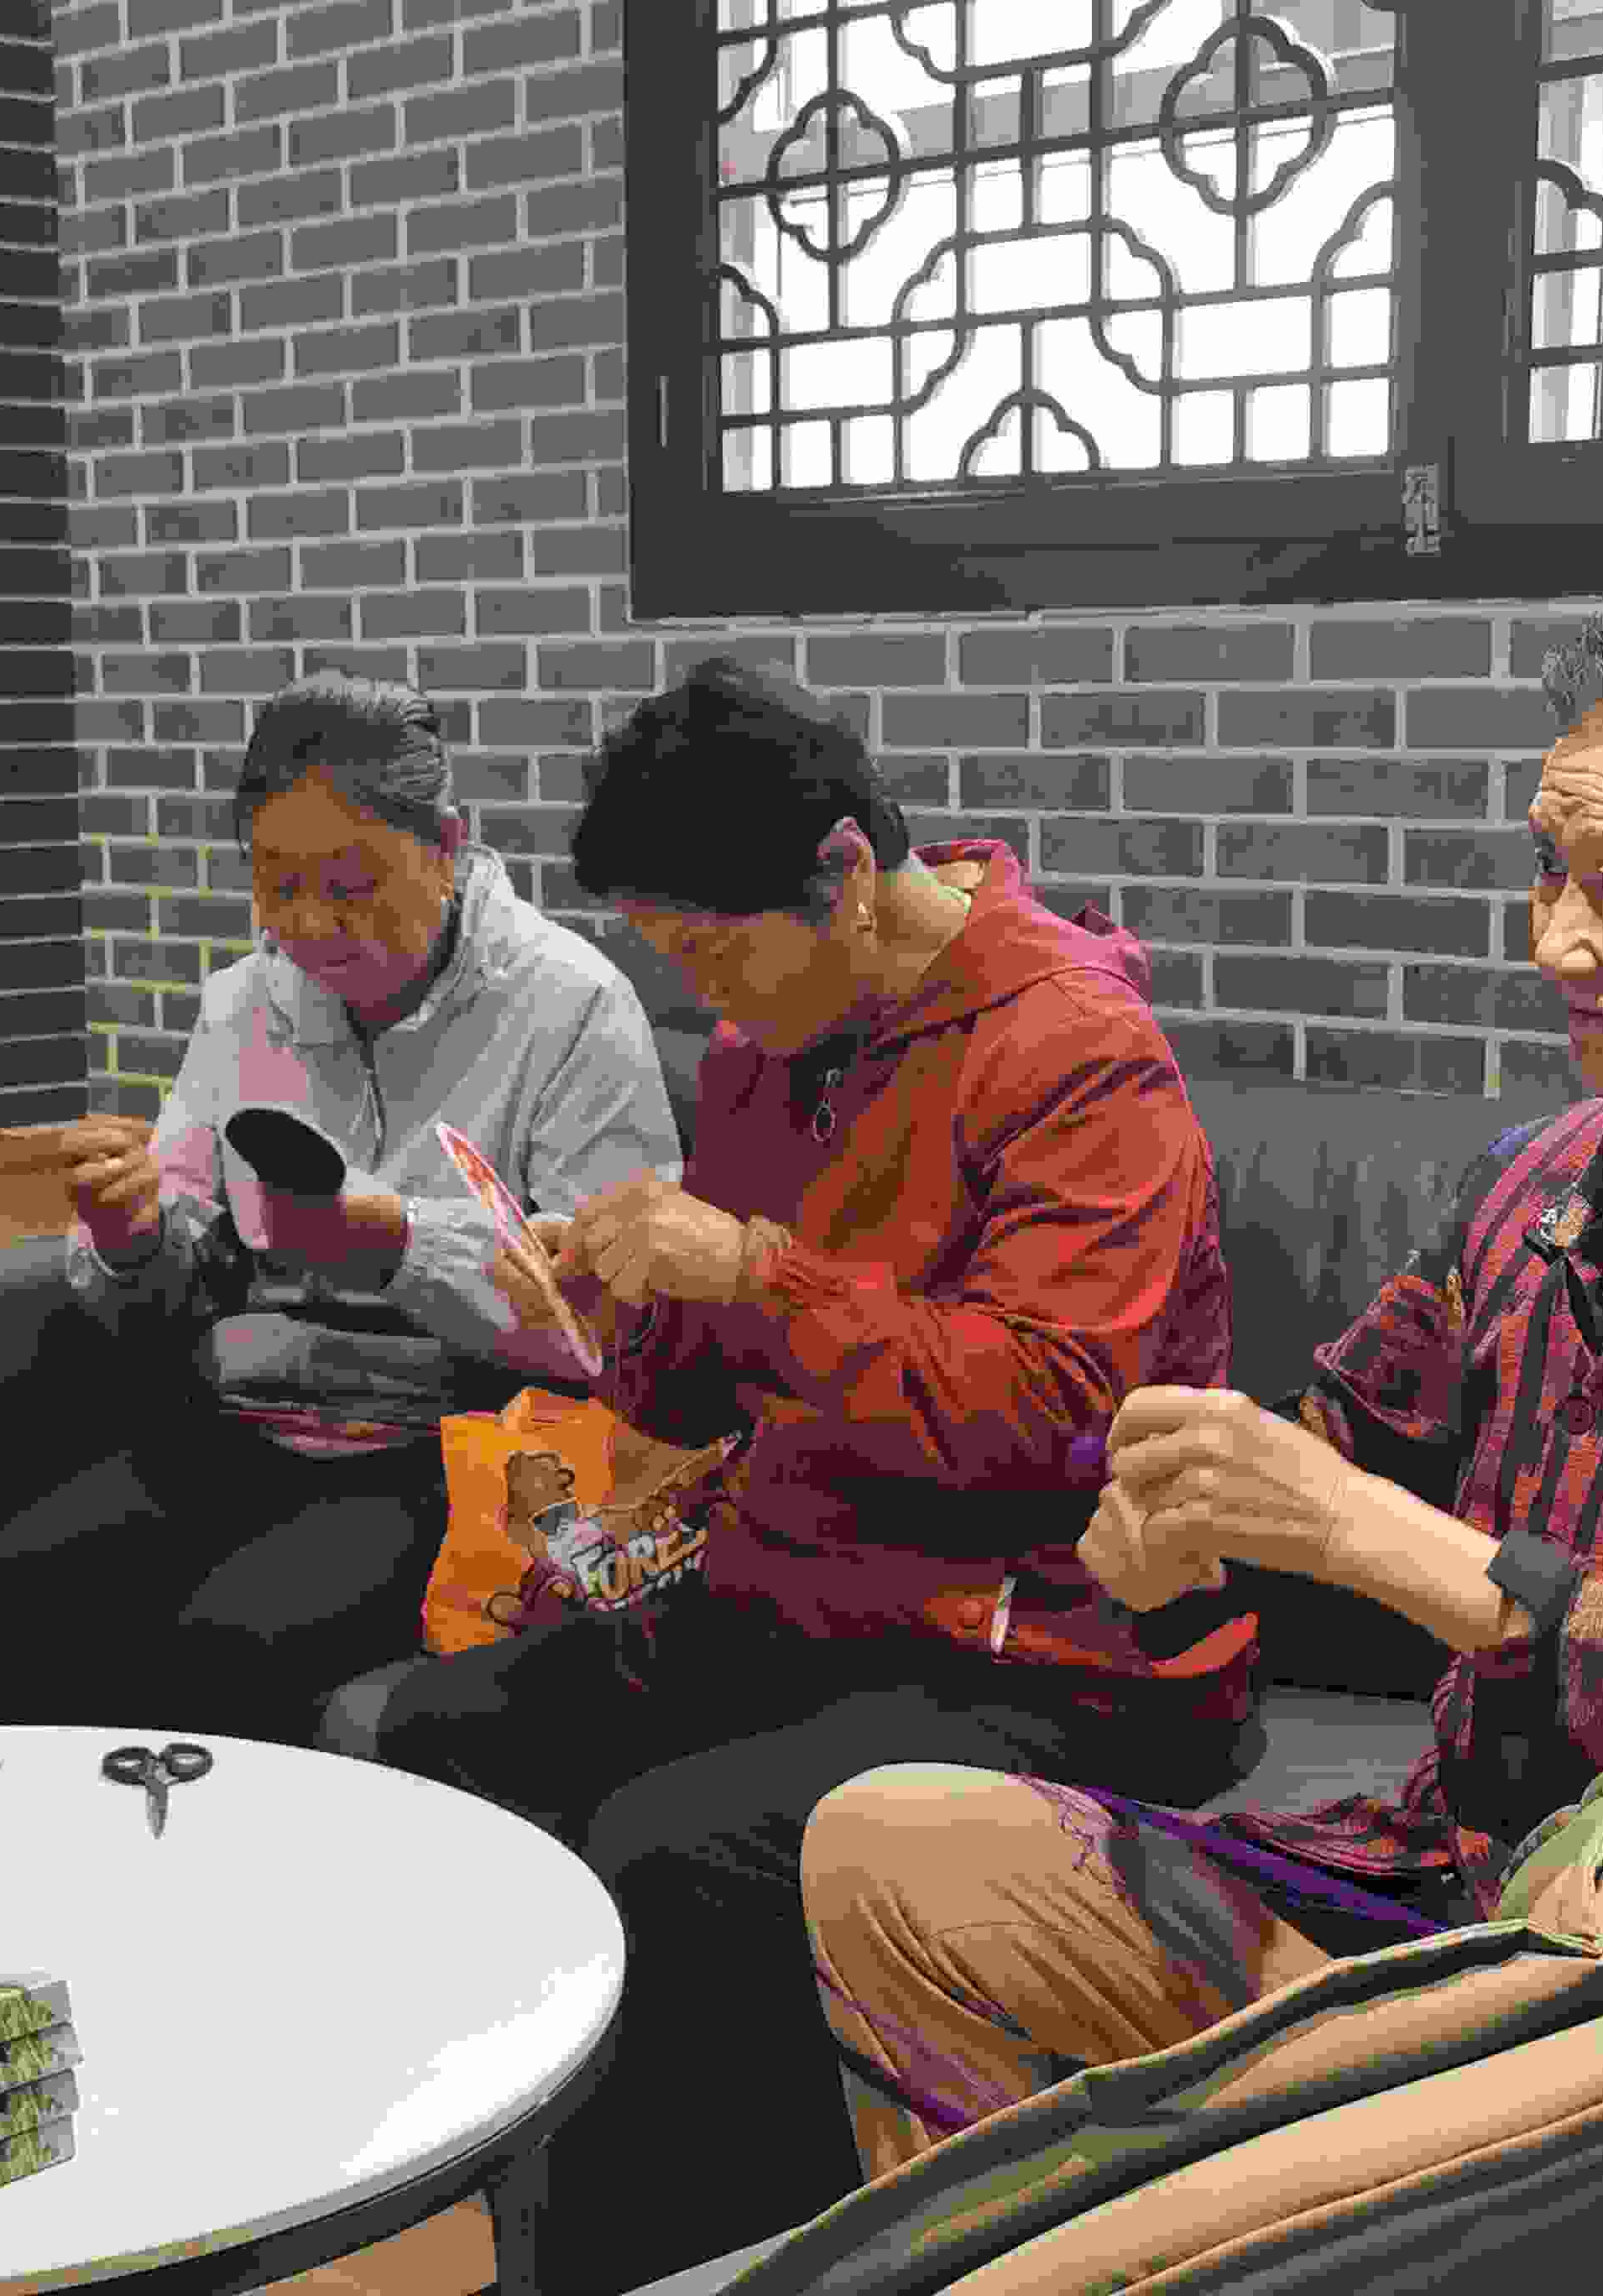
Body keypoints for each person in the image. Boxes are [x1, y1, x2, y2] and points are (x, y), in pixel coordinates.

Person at [797, 579, 1603, 2283]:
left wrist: (1378, 1538)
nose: (1550, 940)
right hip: (1470, 1911)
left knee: (1270, 2192)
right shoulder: (1536, 1190)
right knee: (891, 1850)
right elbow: (1335, 1475)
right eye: (1546, 869)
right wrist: (1193, 1523)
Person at [366, 654, 1251, 2291]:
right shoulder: (768, 1051)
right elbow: (698, 1394)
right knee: (420, 1736)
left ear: (842, 870)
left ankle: (695, 2264)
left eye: (709, 950)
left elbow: (1056, 1411)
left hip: (1050, 1646)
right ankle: (478, 2222)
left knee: (669, 1853)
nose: (699, 994)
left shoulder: (1076, 1053)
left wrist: (751, 1272)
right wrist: (606, 1301)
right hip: (811, 1596)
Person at [0, 671, 678, 1742]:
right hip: (242, 1421)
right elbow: (167, 1281)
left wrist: (398, 1246)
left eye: (352, 886)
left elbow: (615, 1327)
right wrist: (129, 1238)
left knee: (225, 1647)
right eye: (277, 885)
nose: (310, 926)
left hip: (451, 1448)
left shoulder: (571, 1007)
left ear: (447, 846)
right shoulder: (242, 1005)